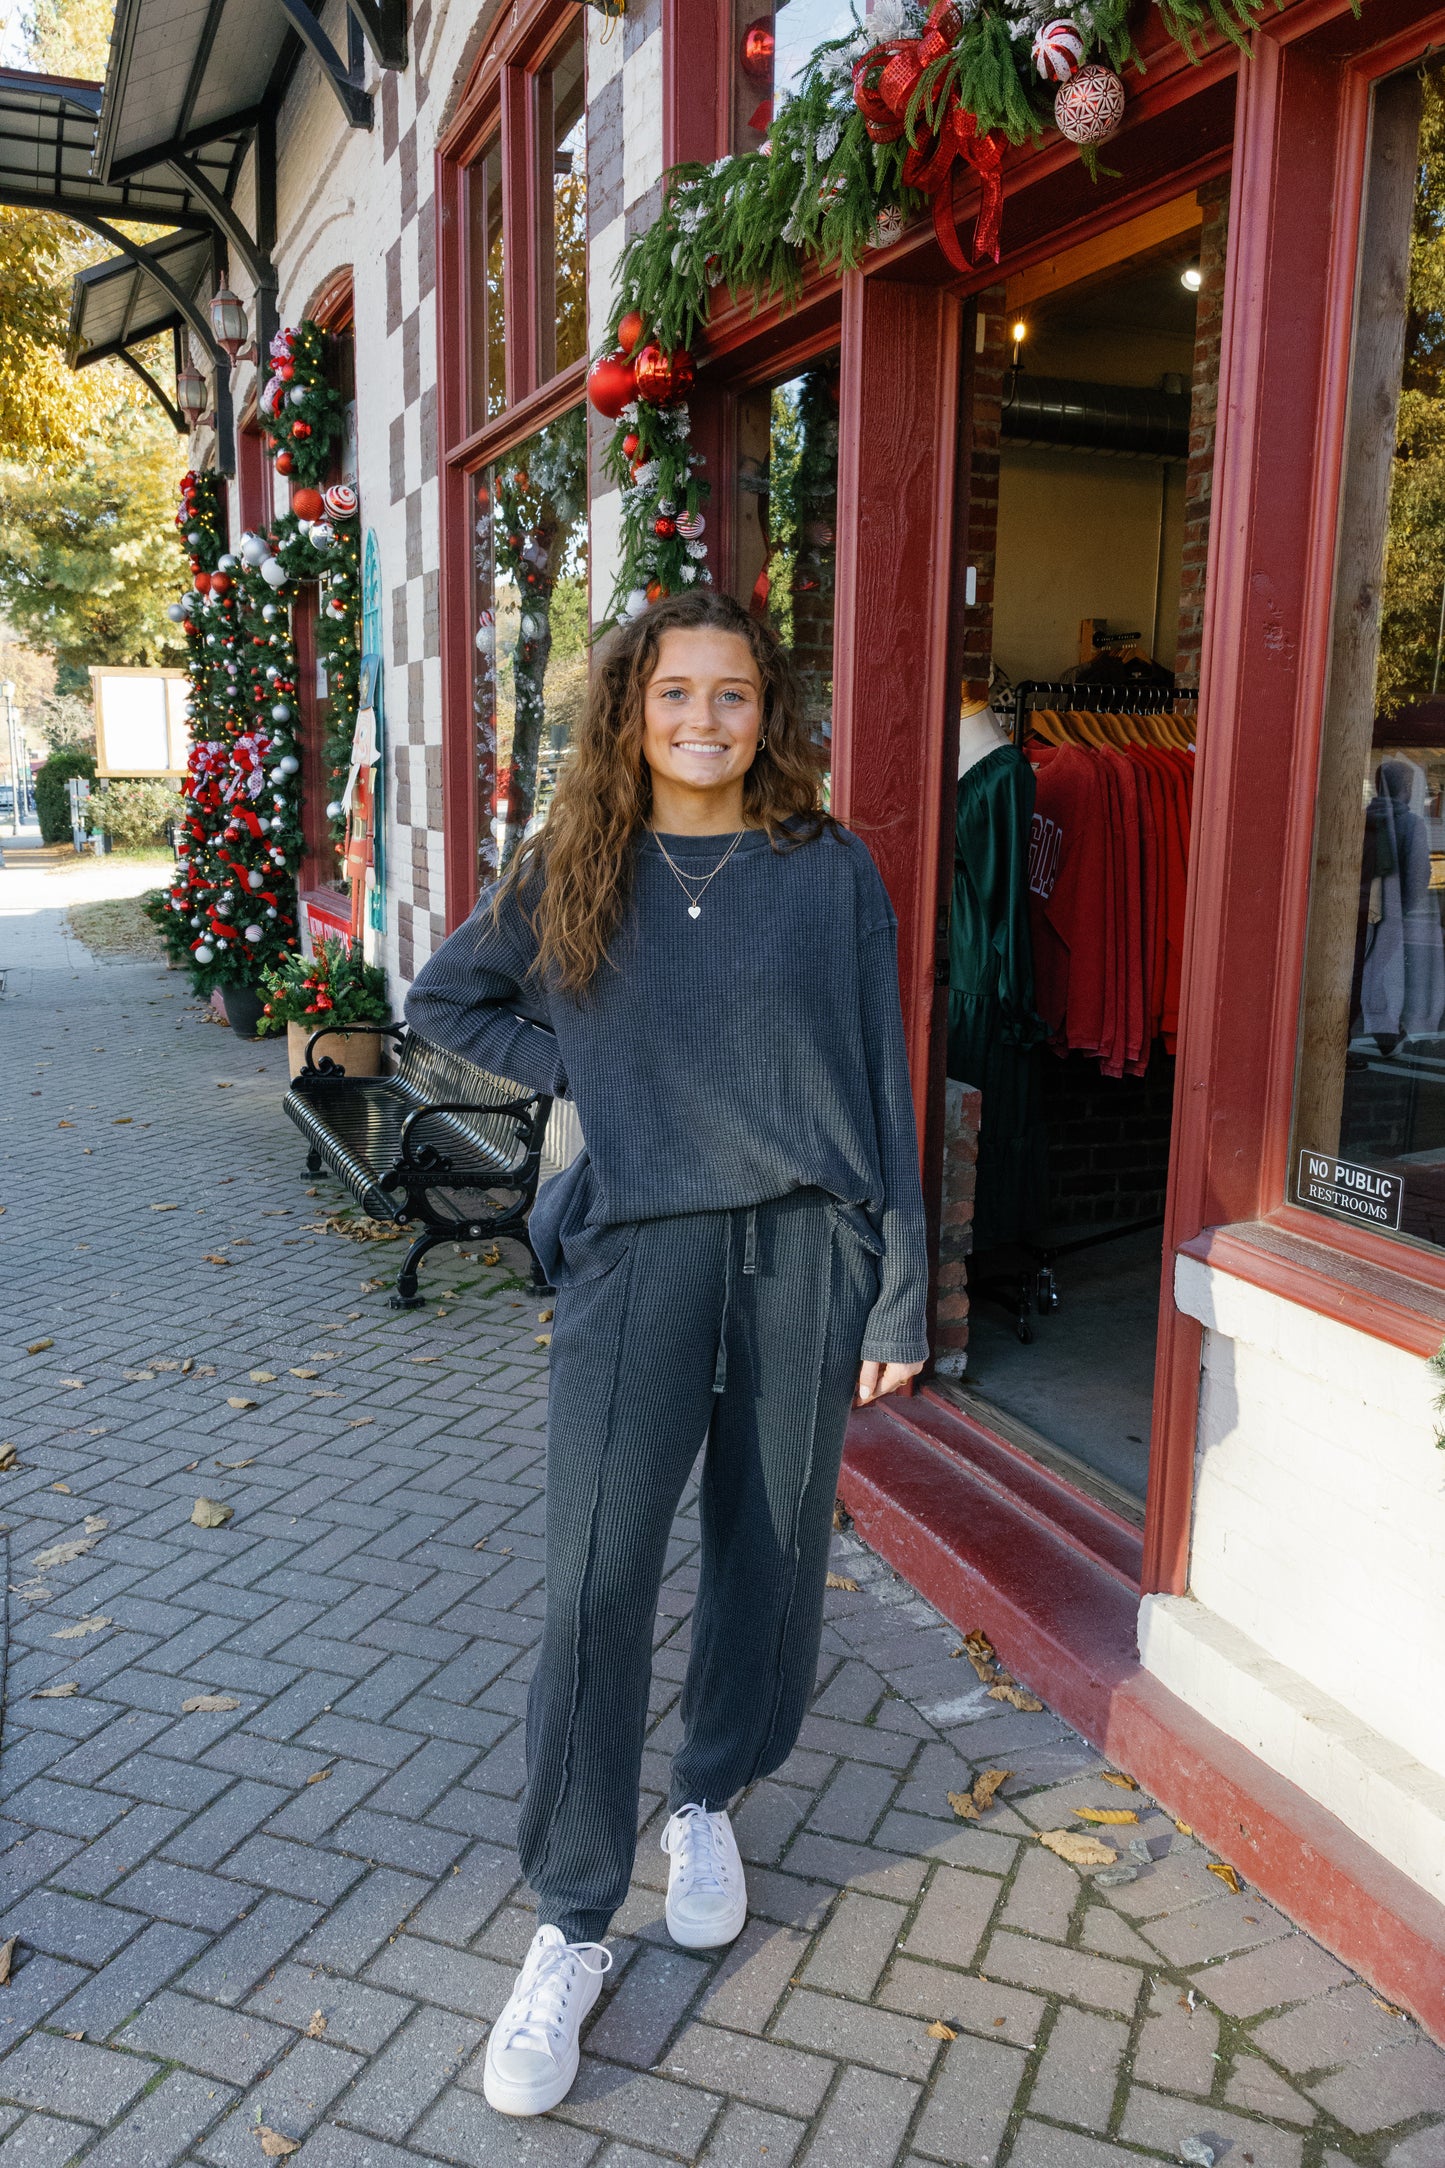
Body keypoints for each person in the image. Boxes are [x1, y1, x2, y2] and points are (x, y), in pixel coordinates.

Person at [405, 589, 928, 2117]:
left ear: (768, 715)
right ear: (630, 709)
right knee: (597, 1582)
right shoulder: (573, 866)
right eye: (676, 694)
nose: (705, 720)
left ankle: (708, 1793)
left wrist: (896, 1295)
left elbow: (879, 1083)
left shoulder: (826, 872)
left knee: (767, 1552)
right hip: (637, 1255)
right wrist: (588, 1066)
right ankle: (572, 1918)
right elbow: (448, 998)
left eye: (734, 696)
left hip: (802, 1253)